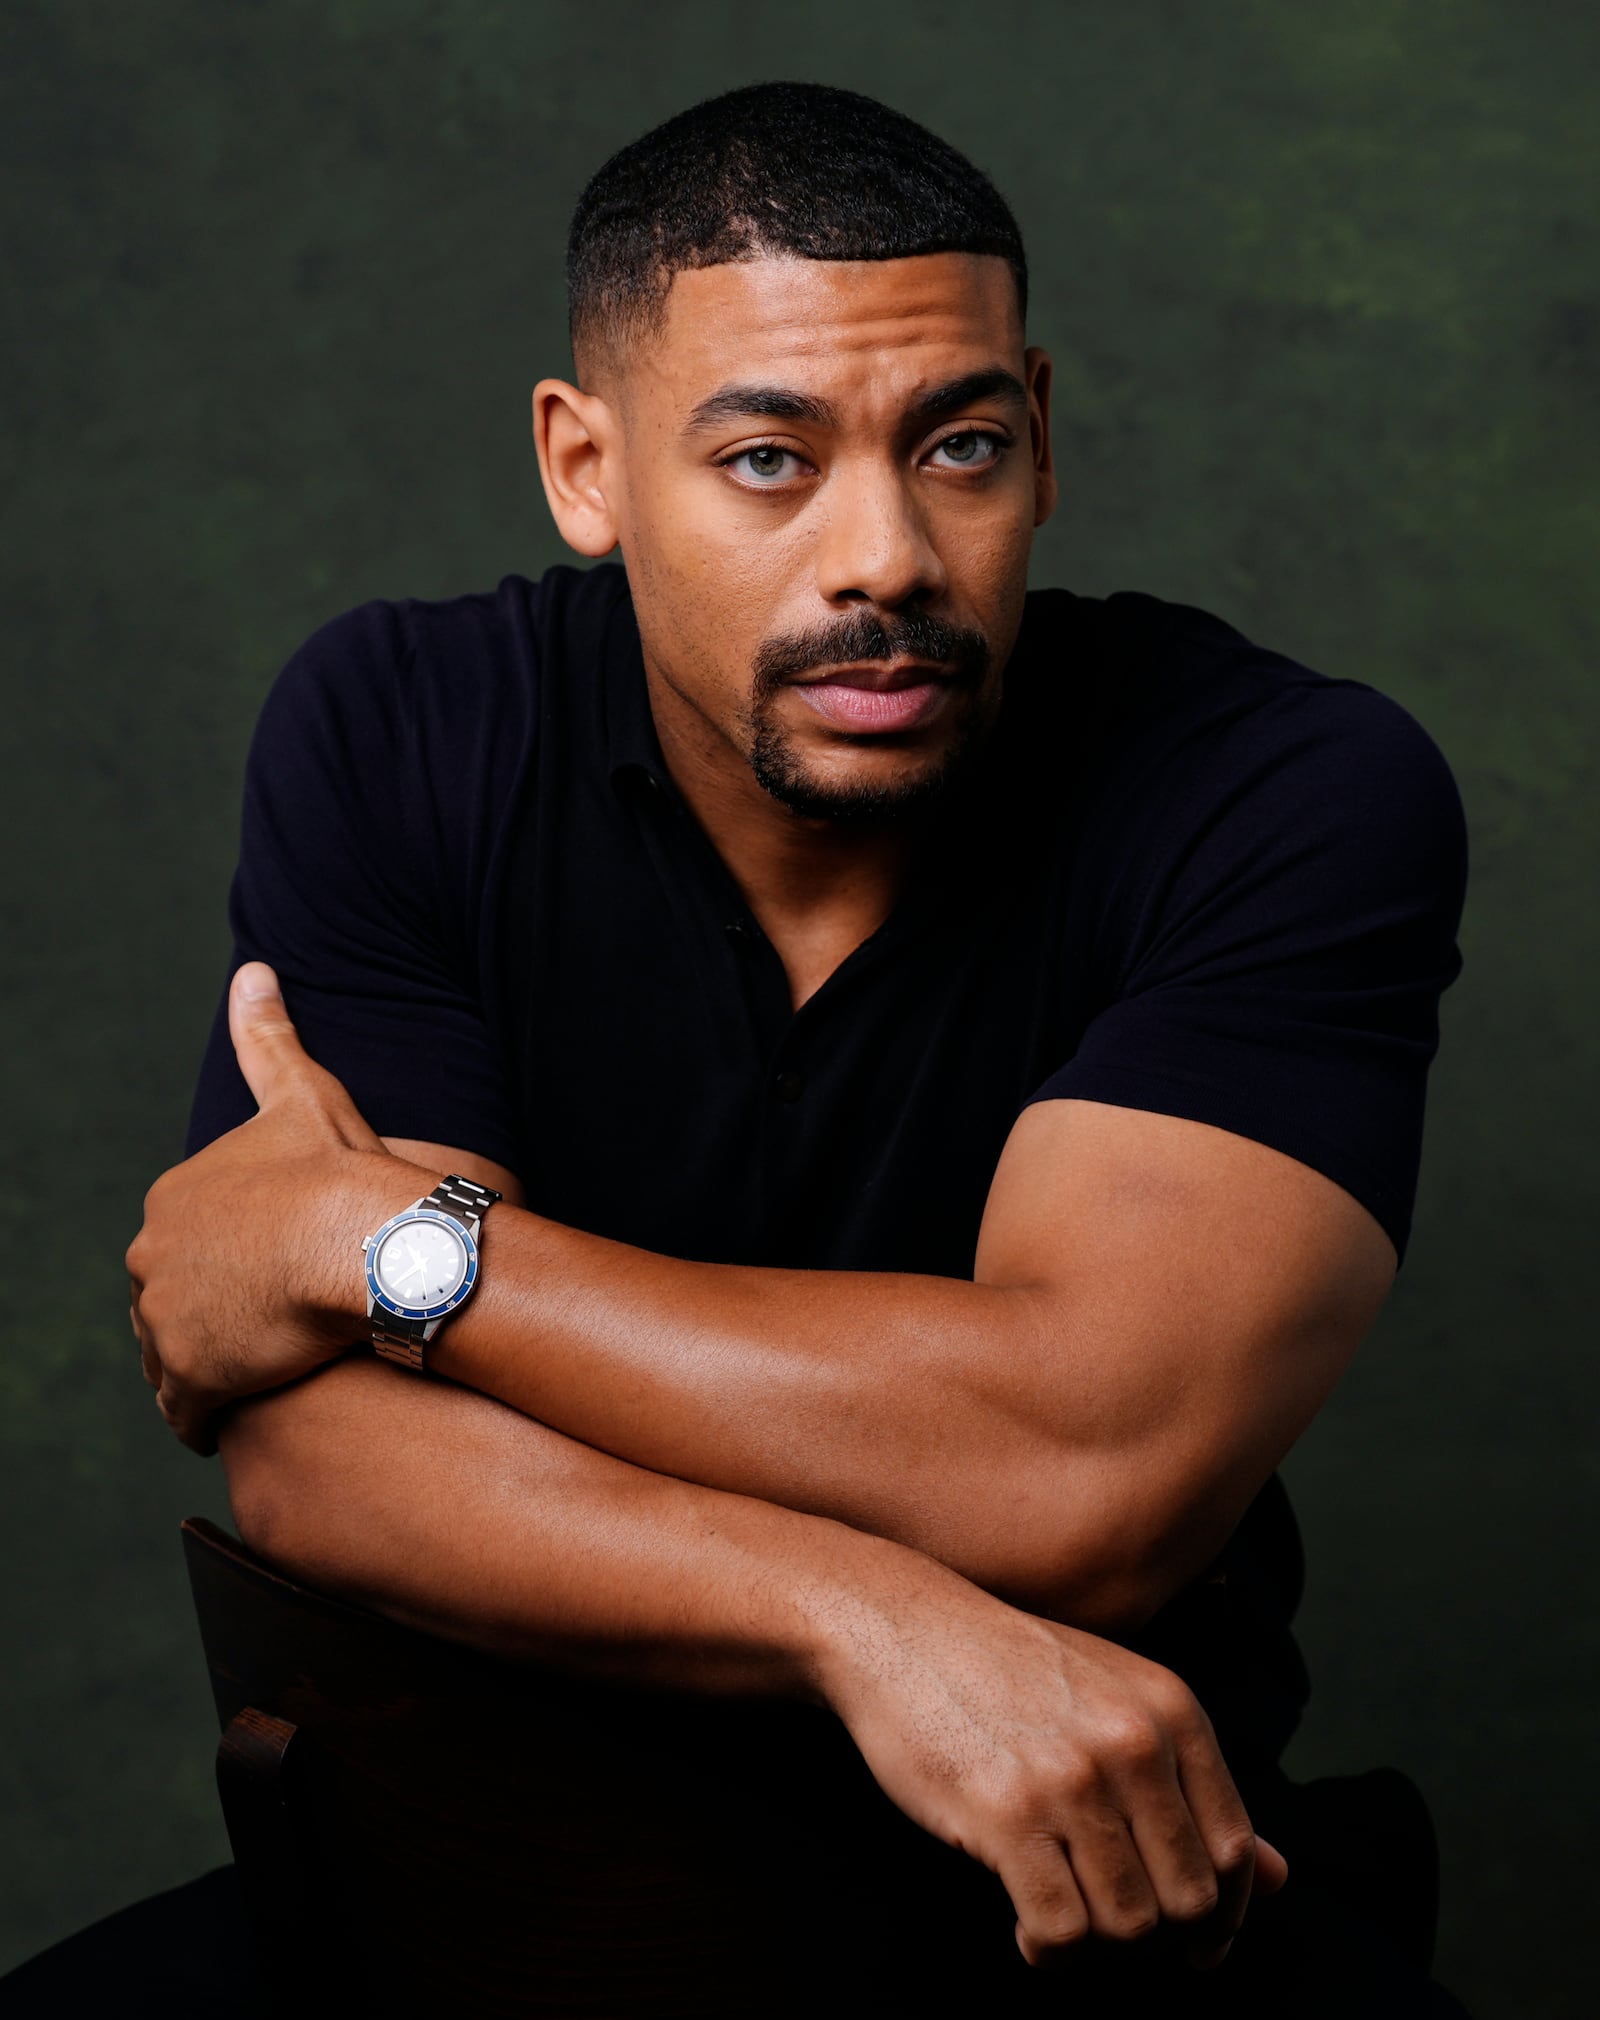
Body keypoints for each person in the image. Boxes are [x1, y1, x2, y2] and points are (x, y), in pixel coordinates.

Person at [14, 82, 1471, 2016]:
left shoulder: (1280, 792)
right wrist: (857, 1613)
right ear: (585, 467)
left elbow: (1078, 1466)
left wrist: (370, 1250)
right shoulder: (401, 732)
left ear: (1039, 435)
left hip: (1074, 1919)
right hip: (457, 1906)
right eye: (769, 460)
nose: (886, 554)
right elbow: (316, 1466)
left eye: (956, 446)